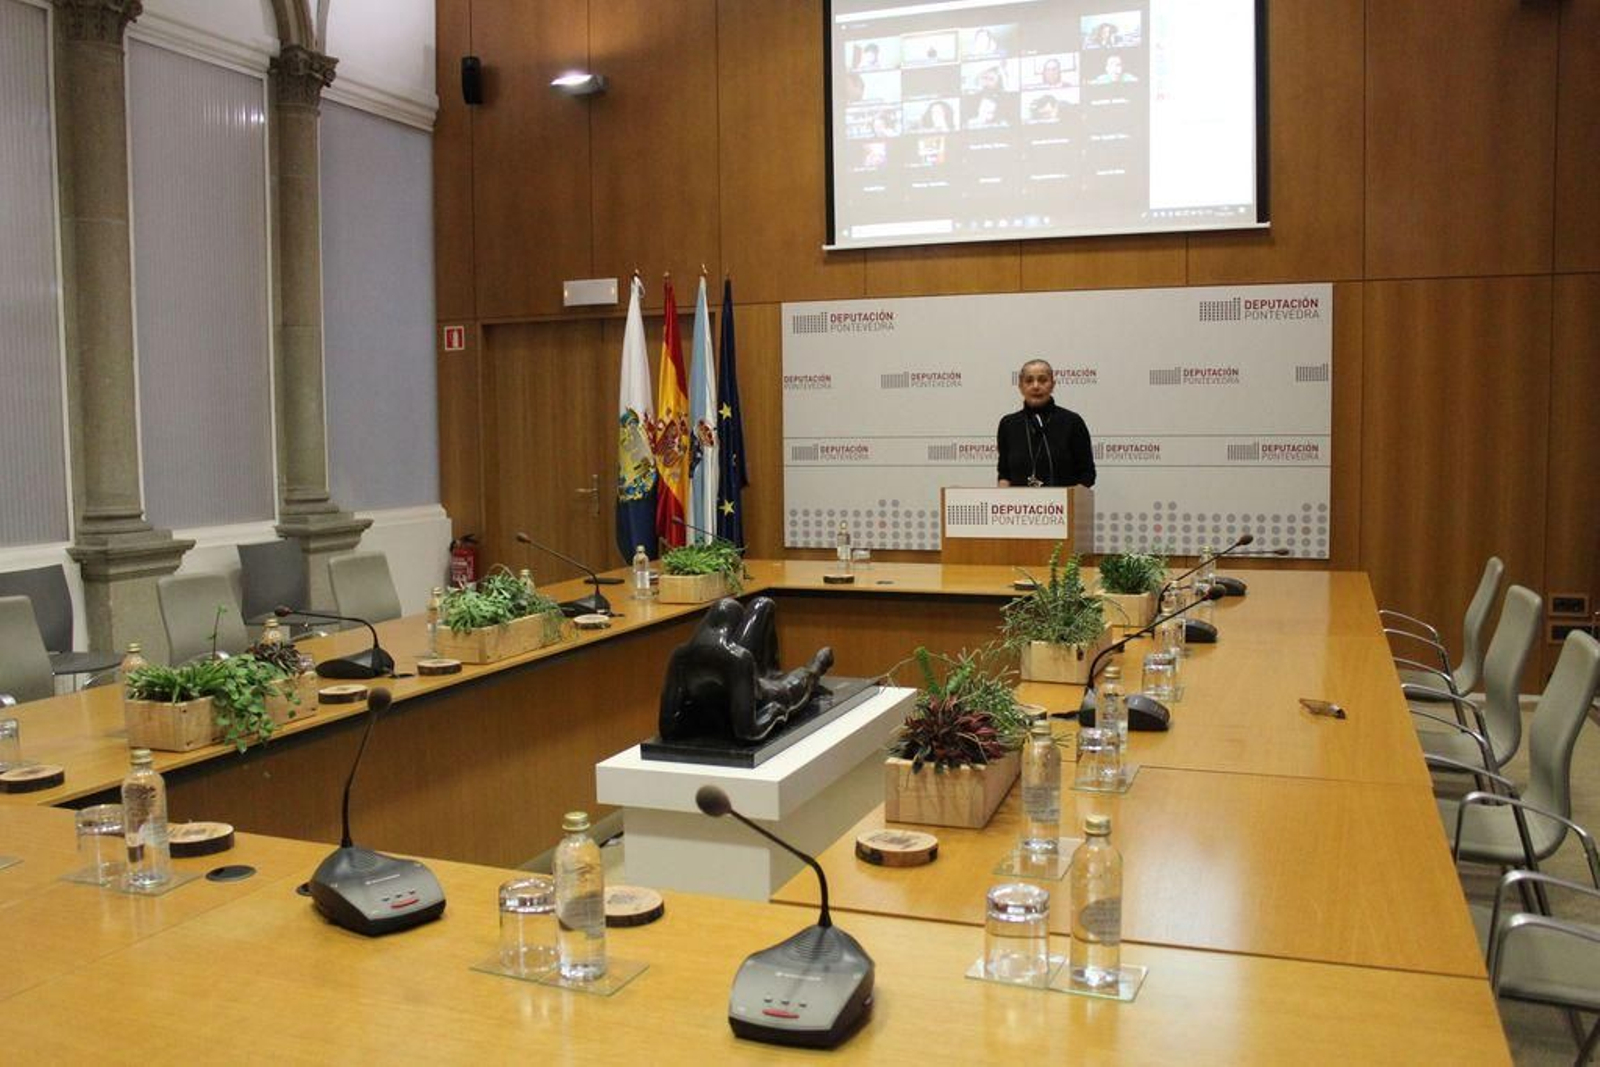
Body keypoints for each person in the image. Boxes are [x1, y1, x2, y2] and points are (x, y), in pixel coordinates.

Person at [996, 359, 1095, 488]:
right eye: (1029, 381)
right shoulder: (1008, 424)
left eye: (1043, 380)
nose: (1036, 386)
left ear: (1052, 385)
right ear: (1020, 386)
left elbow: (1087, 474)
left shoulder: (1072, 422)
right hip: (1019, 506)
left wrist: (1073, 500)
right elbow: (1004, 474)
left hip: (1062, 506)